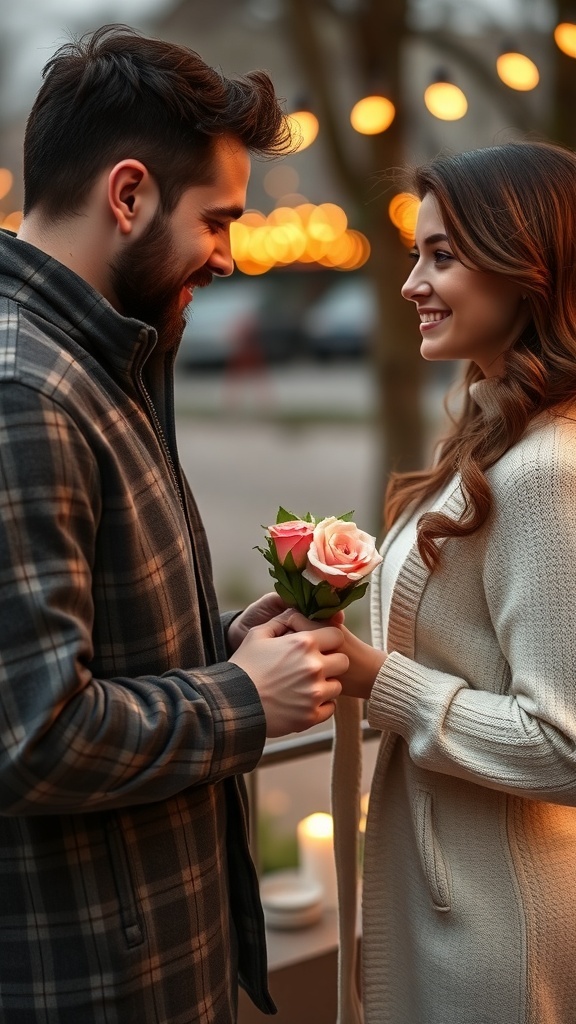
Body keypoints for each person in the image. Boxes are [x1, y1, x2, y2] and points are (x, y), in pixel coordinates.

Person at [0, 24, 348, 1024]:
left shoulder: (108, 356)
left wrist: (226, 645)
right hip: (94, 987)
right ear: (129, 195)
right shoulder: (27, 391)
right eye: (221, 220)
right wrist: (243, 698)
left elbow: (93, 647)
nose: (234, 256)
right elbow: (32, 733)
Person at [325, 140, 576, 1024]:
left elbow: (564, 744)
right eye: (413, 256)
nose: (410, 284)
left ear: (527, 269)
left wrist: (376, 680)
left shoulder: (547, 467)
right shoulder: (489, 434)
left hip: (497, 933)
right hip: (445, 907)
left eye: (442, 255)